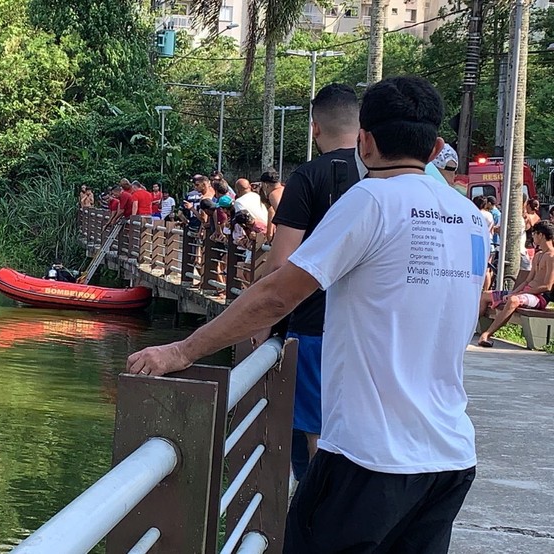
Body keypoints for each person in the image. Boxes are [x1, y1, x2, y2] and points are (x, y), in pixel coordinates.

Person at [127, 76, 485, 553]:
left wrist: (182, 349)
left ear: (366, 140)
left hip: (371, 457)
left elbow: (278, 294)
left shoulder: (371, 200)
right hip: (449, 457)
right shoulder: (467, 215)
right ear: (437, 145)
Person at [259, 83, 361, 481]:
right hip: (367, 328)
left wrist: (262, 321)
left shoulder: (308, 177)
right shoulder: (383, 178)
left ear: (315, 127)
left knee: (316, 434)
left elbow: (281, 263)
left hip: (314, 325)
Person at [478, 220, 554, 347]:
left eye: (534, 233)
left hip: (539, 297)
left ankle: (487, 334)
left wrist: (520, 293)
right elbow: (527, 280)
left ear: (541, 235)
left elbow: (547, 286)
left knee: (513, 300)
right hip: (524, 293)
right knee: (485, 295)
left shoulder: (551, 257)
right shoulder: (538, 255)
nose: (533, 236)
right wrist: (514, 292)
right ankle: (468, 328)